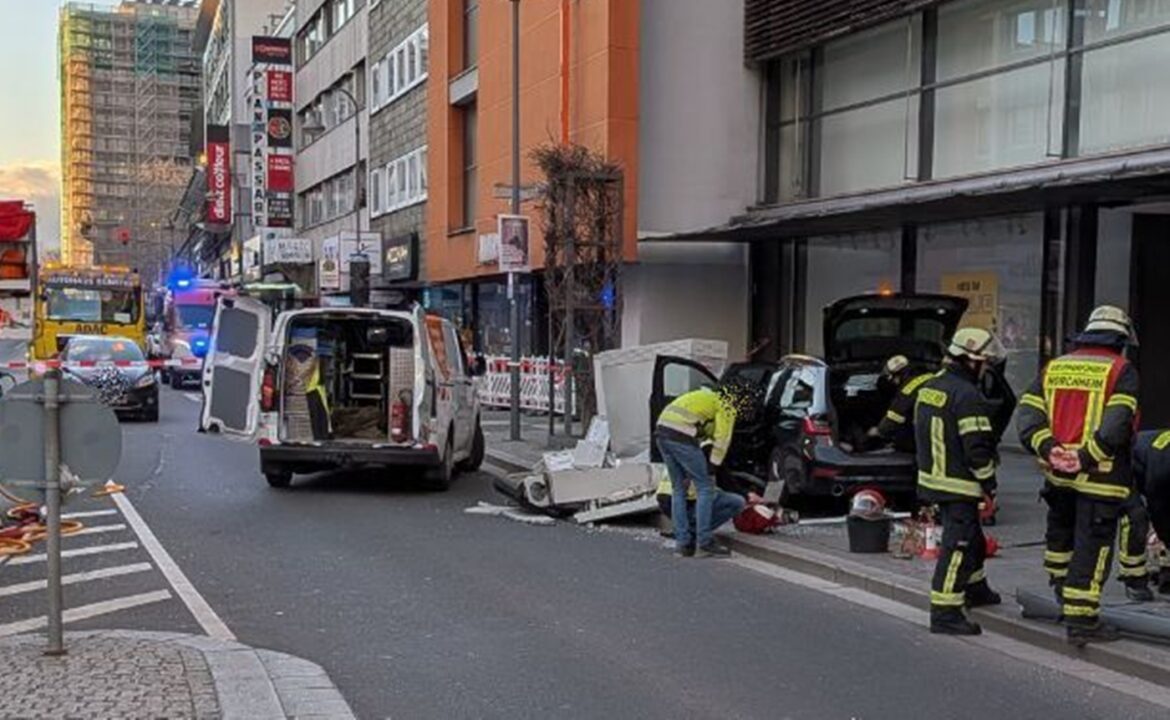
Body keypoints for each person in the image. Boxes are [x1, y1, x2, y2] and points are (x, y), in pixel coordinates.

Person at [1018, 305, 1140, 646]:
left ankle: (1061, 598)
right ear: (1119, 340)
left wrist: (1049, 449)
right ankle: (1082, 620)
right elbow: (1117, 424)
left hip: (1057, 476)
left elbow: (1028, 415)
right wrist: (1085, 457)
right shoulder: (1122, 370)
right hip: (1100, 478)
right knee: (1093, 547)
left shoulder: (1054, 367)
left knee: (1061, 540)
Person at [916, 327, 1005, 636]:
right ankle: (945, 612)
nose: (985, 368)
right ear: (970, 360)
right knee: (959, 544)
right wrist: (989, 483)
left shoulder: (930, 387)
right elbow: (977, 449)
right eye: (983, 362)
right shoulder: (967, 395)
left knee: (974, 539)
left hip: (934, 478)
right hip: (958, 484)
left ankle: (976, 588)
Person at [655, 380, 753, 558]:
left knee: (679, 488)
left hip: (662, 431)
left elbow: (702, 428)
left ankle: (683, 544)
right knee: (705, 488)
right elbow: (722, 440)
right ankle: (705, 542)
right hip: (681, 435)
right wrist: (713, 466)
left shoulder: (704, 398)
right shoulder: (726, 405)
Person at [655, 470, 747, 542]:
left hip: (665, 500)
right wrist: (745, 495)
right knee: (737, 502)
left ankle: (682, 531)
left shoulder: (683, 449)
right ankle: (695, 534)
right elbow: (720, 477)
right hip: (686, 501)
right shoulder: (706, 452)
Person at [1131, 430, 1170, 597]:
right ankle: (1134, 577)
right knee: (1135, 517)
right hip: (1129, 466)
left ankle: (1164, 566)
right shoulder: (1162, 468)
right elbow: (1158, 511)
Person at [869, 355, 935, 452]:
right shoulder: (932, 377)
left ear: (897, 376)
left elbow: (894, 418)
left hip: (926, 437)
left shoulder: (908, 389)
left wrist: (877, 431)